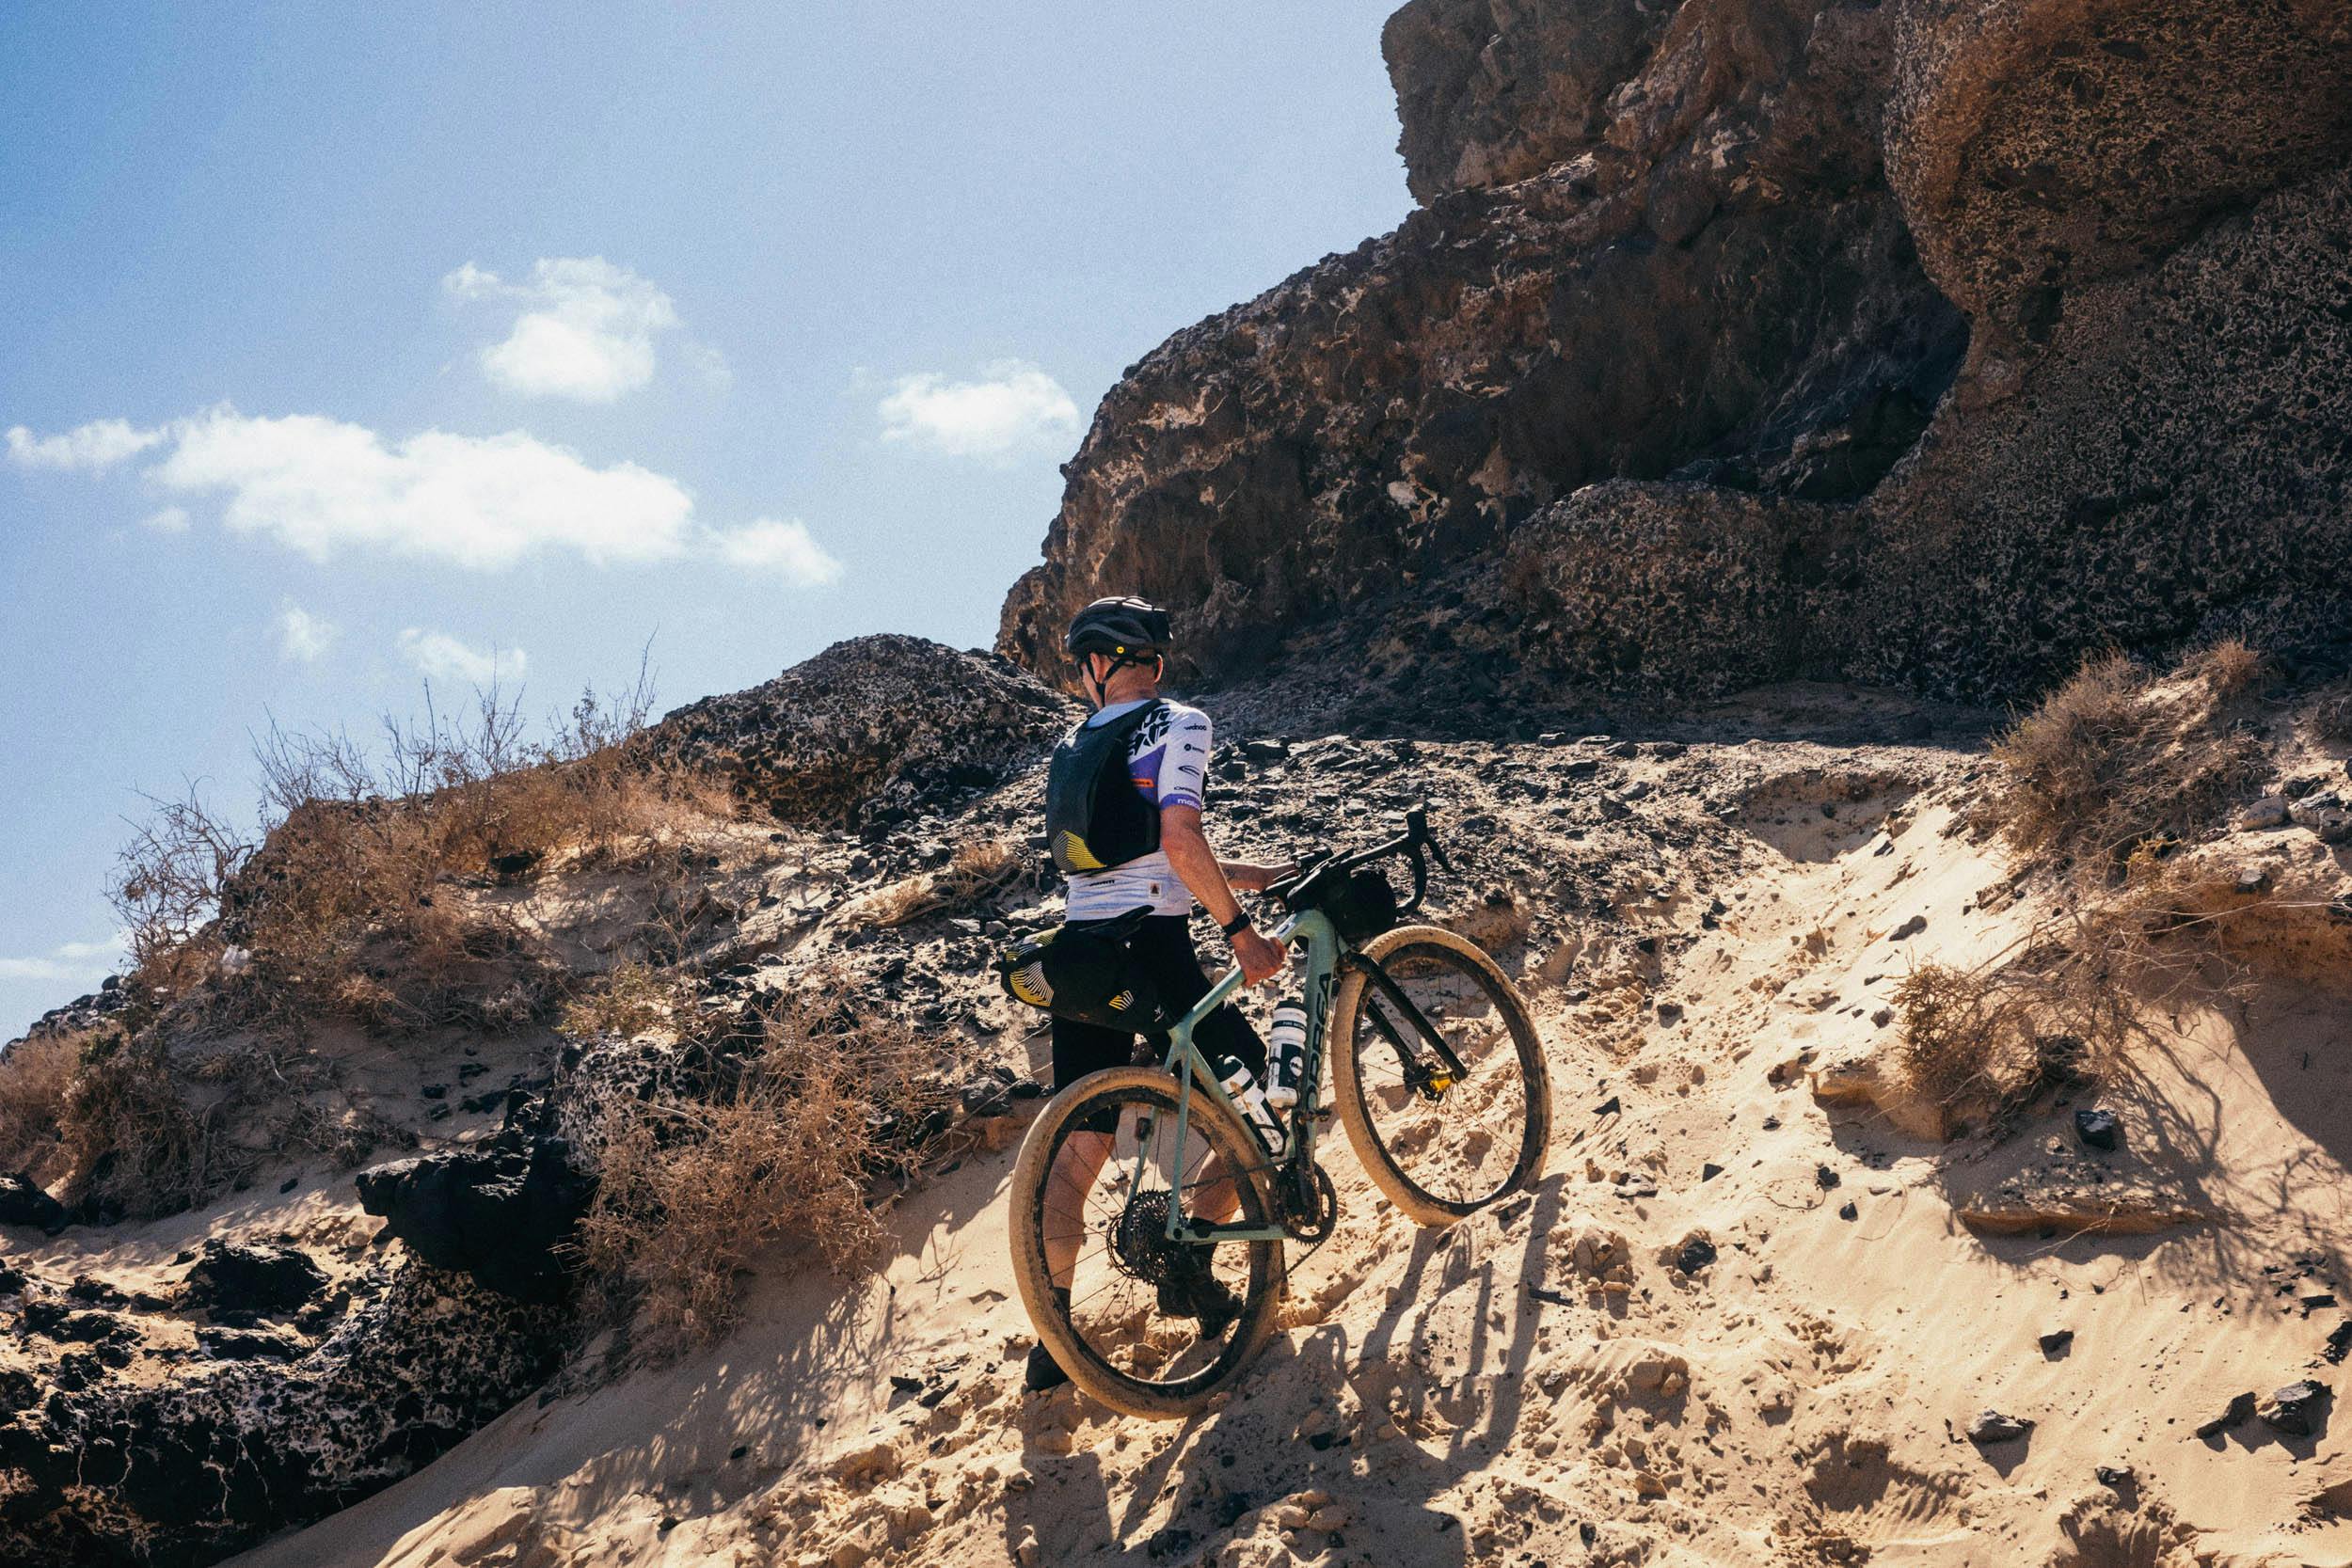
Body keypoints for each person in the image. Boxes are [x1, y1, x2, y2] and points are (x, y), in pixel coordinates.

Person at [1026, 595, 1291, 1392]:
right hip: (1155, 948)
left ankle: (1053, 1342)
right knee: (1266, 1107)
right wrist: (1241, 928)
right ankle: (1187, 1258)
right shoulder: (1178, 721)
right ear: (1153, 661)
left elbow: (1129, 857)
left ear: (1096, 665)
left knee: (1078, 1147)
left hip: (1082, 956)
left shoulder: (1075, 743)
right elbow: (1176, 839)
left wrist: (1248, 874)